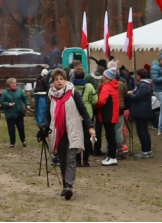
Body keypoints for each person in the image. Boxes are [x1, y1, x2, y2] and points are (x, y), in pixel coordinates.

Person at [41, 68, 95, 200]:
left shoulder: (73, 92)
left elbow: (83, 110)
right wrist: (44, 129)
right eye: (56, 79)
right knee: (63, 159)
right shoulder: (50, 95)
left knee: (71, 159)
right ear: (53, 82)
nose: (59, 82)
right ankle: (65, 185)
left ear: (65, 80)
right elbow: (48, 114)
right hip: (58, 131)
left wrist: (90, 127)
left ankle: (69, 186)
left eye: (61, 79)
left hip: (73, 129)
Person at [71, 67, 97, 166]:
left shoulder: (71, 87)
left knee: (76, 138)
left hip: (75, 115)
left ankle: (77, 160)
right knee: (86, 138)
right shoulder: (89, 86)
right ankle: (85, 160)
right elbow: (95, 100)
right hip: (87, 115)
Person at [96, 66, 121, 165]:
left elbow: (101, 101)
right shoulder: (114, 85)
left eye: (104, 75)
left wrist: (96, 105)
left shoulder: (106, 86)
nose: (102, 76)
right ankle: (110, 156)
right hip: (112, 114)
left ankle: (112, 157)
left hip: (107, 114)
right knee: (111, 136)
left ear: (106, 77)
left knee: (110, 136)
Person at [128, 68, 155, 158]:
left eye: (137, 75)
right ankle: (148, 150)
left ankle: (145, 151)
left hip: (141, 112)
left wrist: (130, 94)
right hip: (144, 111)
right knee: (145, 130)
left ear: (139, 75)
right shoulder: (146, 85)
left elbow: (137, 97)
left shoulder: (143, 85)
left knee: (142, 131)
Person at [0, 77, 29, 147]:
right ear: (9, 84)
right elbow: (2, 102)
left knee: (21, 128)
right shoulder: (5, 93)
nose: (14, 84)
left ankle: (23, 141)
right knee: (11, 129)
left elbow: (25, 98)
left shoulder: (20, 91)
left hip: (19, 113)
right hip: (10, 114)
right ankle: (12, 142)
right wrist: (8, 104)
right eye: (13, 83)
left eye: (15, 83)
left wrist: (28, 104)